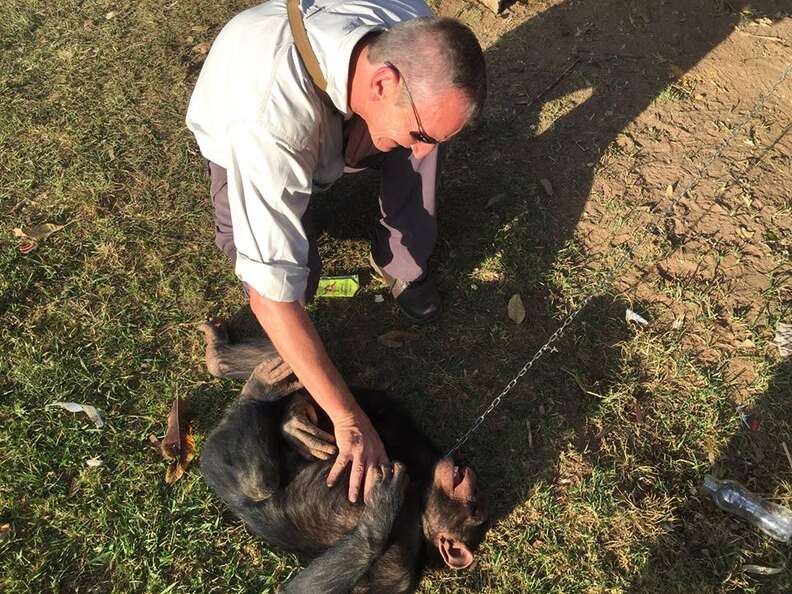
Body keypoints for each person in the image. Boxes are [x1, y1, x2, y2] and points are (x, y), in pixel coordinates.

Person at [186, 0, 486, 506]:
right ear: (383, 82)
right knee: (281, 270)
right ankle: (250, 354)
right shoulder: (265, 127)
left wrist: (416, 135)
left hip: (335, 109)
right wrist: (348, 420)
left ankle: (403, 260)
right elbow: (271, 298)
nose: (420, 151)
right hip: (249, 133)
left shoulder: (409, 23)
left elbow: (419, 126)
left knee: (416, 152)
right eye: (418, 134)